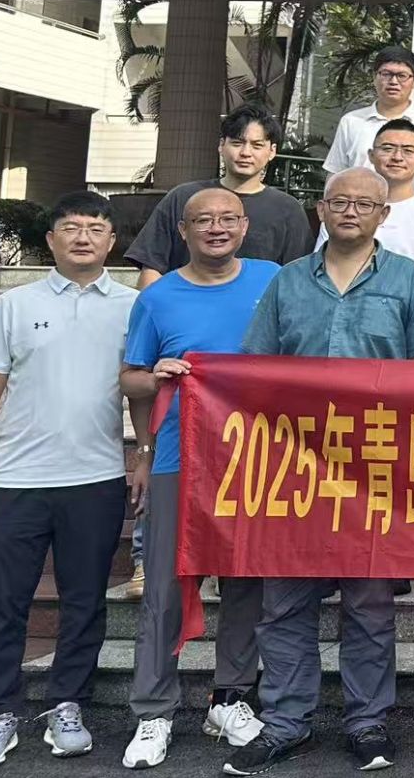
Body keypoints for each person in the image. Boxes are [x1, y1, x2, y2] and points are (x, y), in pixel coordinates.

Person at [227, 168, 414, 776]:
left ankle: (367, 722)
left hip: (374, 468)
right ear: (321, 210)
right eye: (340, 202)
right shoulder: (287, 281)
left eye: (364, 204)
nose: (351, 211)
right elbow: (255, 369)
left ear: (383, 214)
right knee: (284, 602)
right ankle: (286, 723)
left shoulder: (406, 279)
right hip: (295, 465)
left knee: (369, 603)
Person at [0, 193, 137, 770]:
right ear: (52, 239)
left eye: (96, 228)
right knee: (2, 601)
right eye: (71, 228)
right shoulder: (15, 303)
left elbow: (140, 389)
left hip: (96, 477)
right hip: (18, 479)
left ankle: (68, 704)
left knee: (84, 600)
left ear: (112, 241)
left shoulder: (133, 306)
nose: (83, 237)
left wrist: (146, 457)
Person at [119, 188, 279, 769]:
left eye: (228, 218)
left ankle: (229, 699)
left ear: (245, 226)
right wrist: (157, 377)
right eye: (203, 220)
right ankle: (154, 710)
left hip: (255, 459)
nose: (217, 228)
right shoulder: (158, 297)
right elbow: (130, 379)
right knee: (164, 586)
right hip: (177, 460)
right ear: (183, 231)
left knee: (245, 584)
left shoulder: (272, 279)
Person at [128, 103, 313, 287]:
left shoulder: (288, 210)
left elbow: (297, 280)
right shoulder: (183, 197)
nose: (245, 153)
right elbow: (152, 267)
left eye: (257, 145)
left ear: (272, 151)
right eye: (237, 143)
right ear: (221, 145)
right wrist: (150, 305)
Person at [335, 118, 414, 289]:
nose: (397, 157)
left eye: (408, 150)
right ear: (371, 155)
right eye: (387, 149)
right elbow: (324, 262)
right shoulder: (344, 207)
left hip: (405, 302)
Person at [323, 45, 414, 191]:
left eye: (402, 76)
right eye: (386, 74)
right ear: (374, 77)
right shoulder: (351, 122)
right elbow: (336, 172)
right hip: (360, 204)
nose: (393, 81)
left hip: (410, 205)